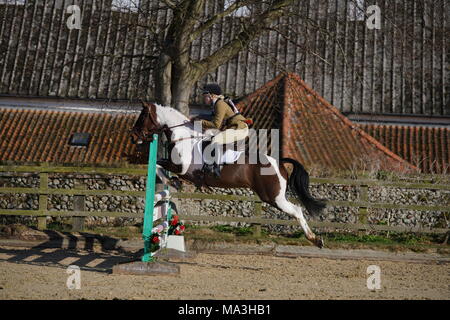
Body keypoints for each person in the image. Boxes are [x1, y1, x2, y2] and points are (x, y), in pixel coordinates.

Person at [193, 83, 250, 177]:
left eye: (205, 96)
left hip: (240, 129)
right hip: (235, 128)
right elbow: (212, 117)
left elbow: (216, 124)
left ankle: (216, 168)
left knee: (216, 139)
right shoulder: (217, 104)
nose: (203, 98)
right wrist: (198, 117)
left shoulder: (220, 104)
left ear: (212, 96)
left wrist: (199, 122)